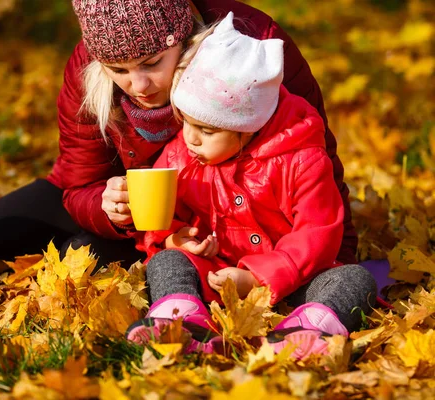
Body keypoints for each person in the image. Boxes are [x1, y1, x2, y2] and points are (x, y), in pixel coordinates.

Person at [0, 0, 358, 272]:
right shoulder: (84, 68)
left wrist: (336, 259)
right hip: (124, 210)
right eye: (118, 70)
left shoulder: (252, 46)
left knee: (80, 258)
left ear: (186, 36)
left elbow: (310, 151)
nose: (138, 85)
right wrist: (108, 209)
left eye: (152, 63)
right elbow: (78, 183)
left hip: (214, 219)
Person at [125, 13, 377, 359]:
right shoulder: (181, 155)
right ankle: (182, 320)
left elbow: (317, 233)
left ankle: (307, 332)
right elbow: (165, 222)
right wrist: (176, 237)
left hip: (293, 284)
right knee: (168, 261)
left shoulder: (301, 158)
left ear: (249, 127)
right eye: (186, 122)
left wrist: (260, 278)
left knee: (354, 280)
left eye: (208, 130)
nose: (191, 139)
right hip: (214, 280)